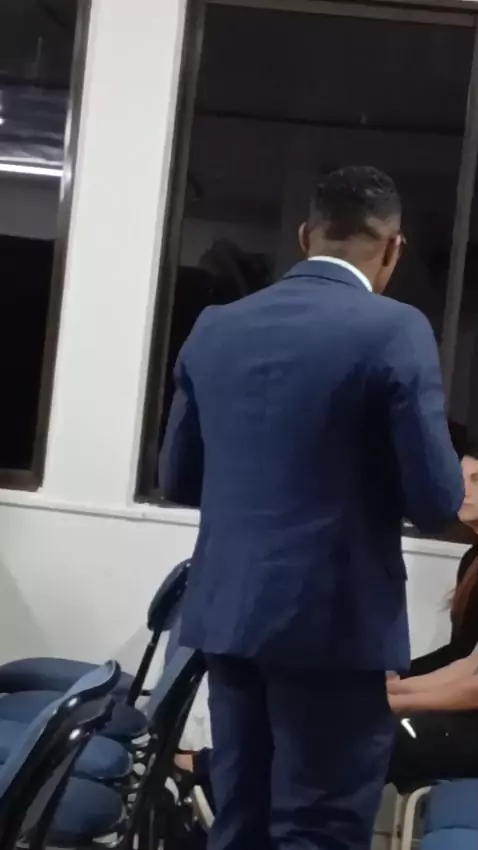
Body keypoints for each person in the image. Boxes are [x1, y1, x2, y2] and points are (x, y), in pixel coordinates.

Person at [159, 166, 464, 850]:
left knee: (240, 820)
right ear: (393, 248)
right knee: (318, 830)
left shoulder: (217, 325)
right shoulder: (396, 330)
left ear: (305, 236)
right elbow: (436, 499)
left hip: (229, 618)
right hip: (335, 627)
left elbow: (178, 477)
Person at [387, 443, 478, 787]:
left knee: (379, 736)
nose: (464, 488)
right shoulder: (471, 561)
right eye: (461, 478)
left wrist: (398, 702)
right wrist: (395, 689)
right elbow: (466, 662)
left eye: (477, 480)